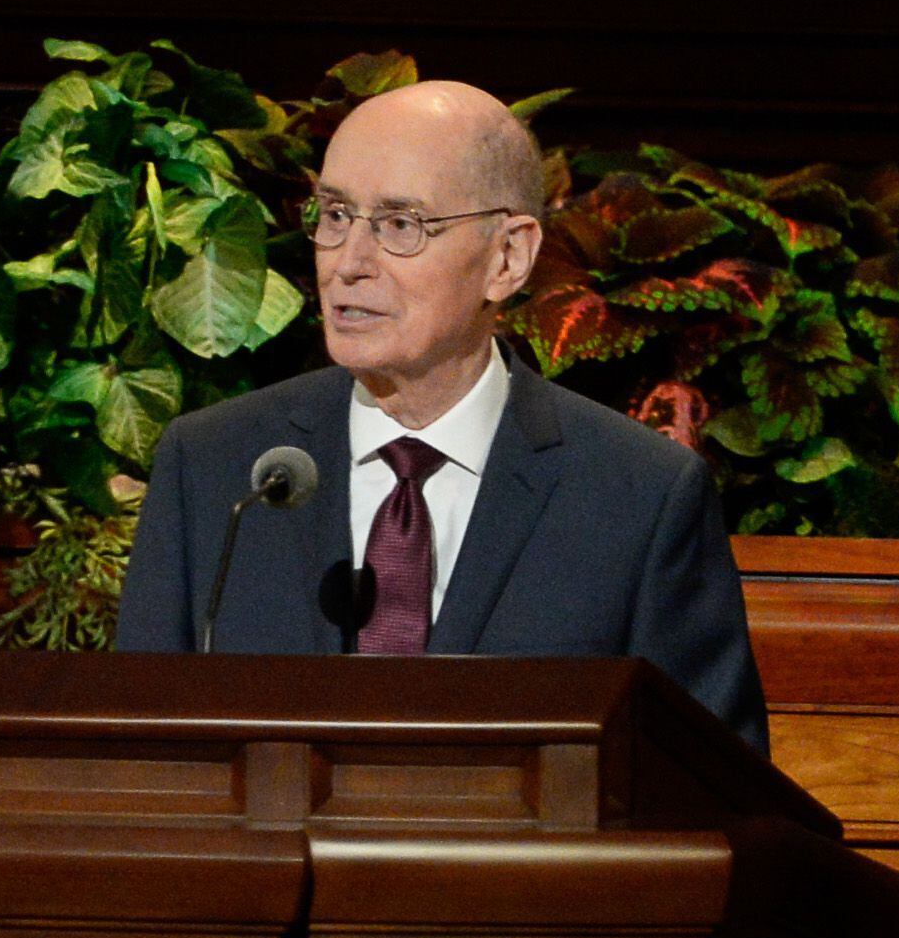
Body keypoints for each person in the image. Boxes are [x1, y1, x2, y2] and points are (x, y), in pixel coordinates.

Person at [114, 80, 769, 754]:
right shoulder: (217, 471)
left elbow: (714, 796)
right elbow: (133, 762)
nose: (348, 263)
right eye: (334, 216)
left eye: (401, 225)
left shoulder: (638, 496)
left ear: (507, 257)